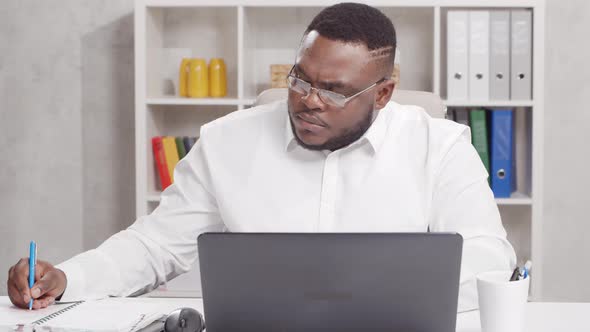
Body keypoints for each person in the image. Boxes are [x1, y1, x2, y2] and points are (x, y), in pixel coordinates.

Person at [7, 3, 515, 312]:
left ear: (383, 94)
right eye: (300, 80)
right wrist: (68, 278)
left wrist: (362, 291)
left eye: (334, 91)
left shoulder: (441, 146)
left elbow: (489, 259)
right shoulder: (226, 141)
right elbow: (154, 247)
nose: (309, 100)